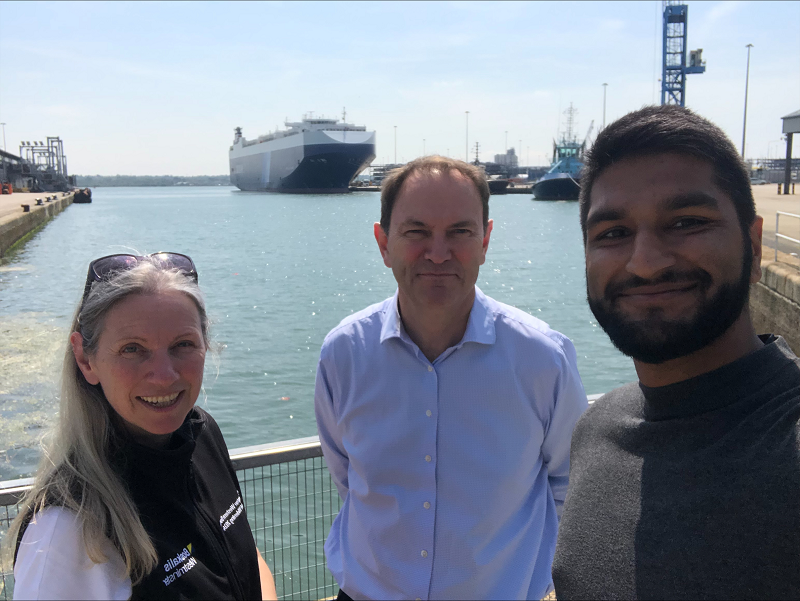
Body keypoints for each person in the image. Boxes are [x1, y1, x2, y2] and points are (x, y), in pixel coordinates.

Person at [552, 105, 800, 599]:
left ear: (752, 244)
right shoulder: (595, 431)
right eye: (613, 234)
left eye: (686, 221)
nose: (644, 263)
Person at [315, 156, 588, 600]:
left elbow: (571, 488)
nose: (438, 253)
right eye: (416, 232)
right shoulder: (343, 354)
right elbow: (348, 479)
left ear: (485, 241)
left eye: (460, 232)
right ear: (384, 243)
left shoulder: (543, 359)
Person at [7, 253, 278, 600]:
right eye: (132, 349)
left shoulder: (202, 434)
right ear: (85, 359)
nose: (165, 376)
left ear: (205, 344)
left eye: (183, 344)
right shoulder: (66, 531)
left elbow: (248, 557)